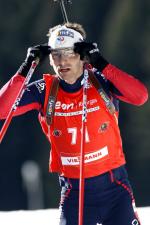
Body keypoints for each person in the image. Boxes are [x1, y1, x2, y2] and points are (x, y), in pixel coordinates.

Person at [0, 22, 148, 225]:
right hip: (74, 195)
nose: (62, 61)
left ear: (81, 54)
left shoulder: (102, 81)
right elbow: (2, 110)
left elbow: (140, 96)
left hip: (115, 191)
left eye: (69, 52)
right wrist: (25, 69)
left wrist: (101, 63)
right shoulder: (44, 90)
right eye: (55, 55)